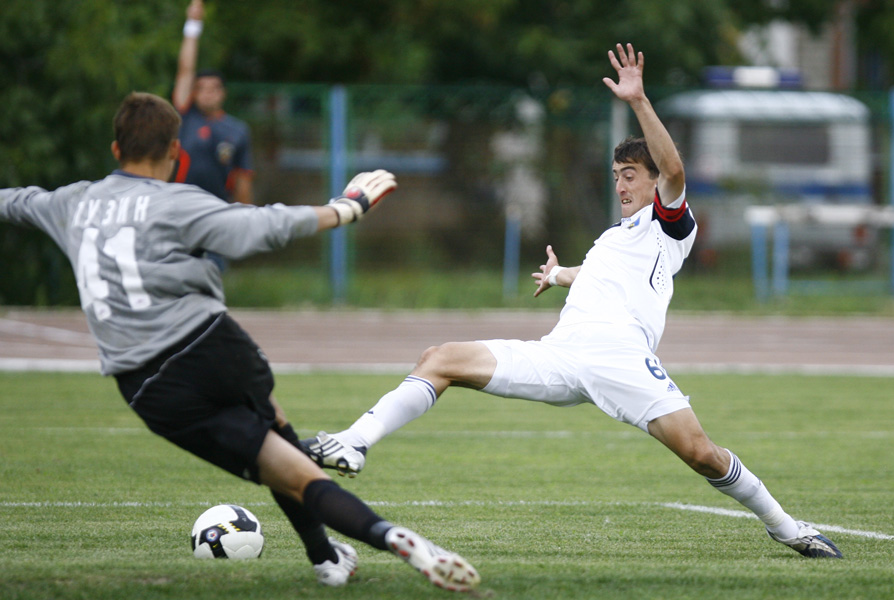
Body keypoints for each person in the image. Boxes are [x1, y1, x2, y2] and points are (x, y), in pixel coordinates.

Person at [302, 44, 843, 561]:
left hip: (621, 357)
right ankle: (353, 442)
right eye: (616, 176)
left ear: (654, 182)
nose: (621, 185)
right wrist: (561, 275)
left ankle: (787, 527)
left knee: (702, 454)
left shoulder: (668, 225)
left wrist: (638, 100)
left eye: (630, 176)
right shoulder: (617, 237)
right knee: (439, 358)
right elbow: (603, 275)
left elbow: (675, 171)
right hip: (562, 354)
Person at [0, 92, 480, 592]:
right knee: (285, 449)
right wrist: (346, 208)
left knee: (284, 469)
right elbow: (262, 224)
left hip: (144, 384)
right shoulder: (178, 201)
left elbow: (14, 201)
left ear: (116, 149)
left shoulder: (70, 202)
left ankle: (339, 553)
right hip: (210, 345)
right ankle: (372, 538)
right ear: (175, 152)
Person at [172, 0, 253, 206]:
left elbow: (243, 180)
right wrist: (193, 25)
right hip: (180, 206)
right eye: (201, 88)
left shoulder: (237, 130)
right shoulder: (184, 116)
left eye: (214, 88)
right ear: (193, 93)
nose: (208, 93)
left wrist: (246, 215)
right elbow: (185, 70)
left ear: (223, 93)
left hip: (217, 209)